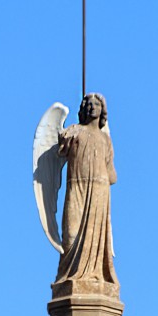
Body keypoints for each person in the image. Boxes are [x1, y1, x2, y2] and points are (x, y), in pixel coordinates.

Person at [56, 93, 118, 286]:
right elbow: (61, 145)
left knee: (95, 237)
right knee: (71, 237)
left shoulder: (105, 140)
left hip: (98, 192)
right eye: (88, 104)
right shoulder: (75, 131)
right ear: (82, 110)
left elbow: (112, 176)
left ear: (103, 111)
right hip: (77, 188)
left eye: (96, 104)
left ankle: (95, 273)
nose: (92, 107)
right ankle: (69, 275)